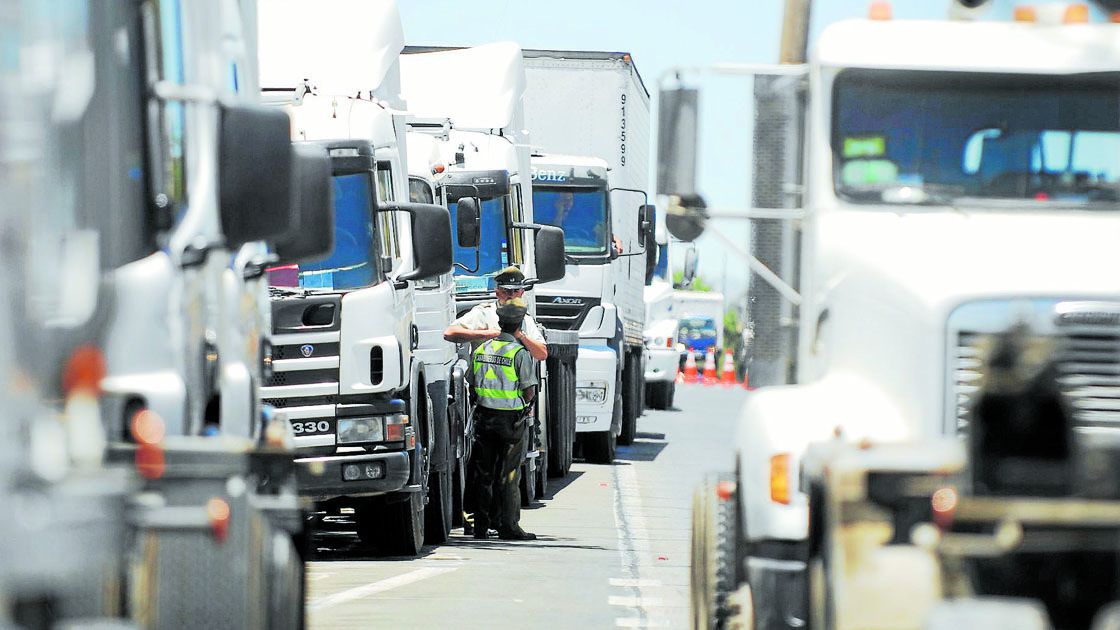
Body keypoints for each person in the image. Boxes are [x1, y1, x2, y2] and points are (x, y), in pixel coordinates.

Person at [468, 298, 538, 541]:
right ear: (519, 325)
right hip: (511, 423)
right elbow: (529, 390)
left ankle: (480, 526)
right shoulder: (519, 353)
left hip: (484, 419)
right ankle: (508, 526)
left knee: (483, 474)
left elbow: (472, 383)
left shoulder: (481, 349)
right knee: (508, 475)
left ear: (499, 321)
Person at [443, 266, 548, 361]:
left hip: (515, 380)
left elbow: (542, 354)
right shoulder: (485, 313)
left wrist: (521, 336)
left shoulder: (525, 319)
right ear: (497, 293)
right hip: (484, 379)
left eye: (515, 291)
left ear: (522, 293)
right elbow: (449, 333)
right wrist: (488, 334)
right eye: (506, 291)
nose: (511, 296)